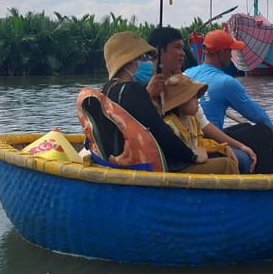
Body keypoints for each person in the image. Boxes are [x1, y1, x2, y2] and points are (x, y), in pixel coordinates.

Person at [101, 31, 231, 174]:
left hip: (126, 161)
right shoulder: (133, 90)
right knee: (226, 164)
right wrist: (191, 155)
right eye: (143, 57)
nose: (149, 62)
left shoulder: (107, 90)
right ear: (128, 61)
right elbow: (160, 132)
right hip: (153, 166)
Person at [147, 26, 257, 173]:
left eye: (182, 48)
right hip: (177, 158)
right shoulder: (148, 85)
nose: (182, 53)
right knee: (242, 160)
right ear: (160, 51)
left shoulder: (183, 81)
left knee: (252, 134)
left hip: (195, 145)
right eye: (177, 48)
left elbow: (203, 124)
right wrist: (148, 95)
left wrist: (232, 146)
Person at [184, 29, 273, 173]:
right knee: (263, 132)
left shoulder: (187, 73)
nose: (232, 55)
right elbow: (257, 115)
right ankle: (264, 181)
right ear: (221, 53)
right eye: (230, 51)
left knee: (246, 127)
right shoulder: (226, 82)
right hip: (207, 140)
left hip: (193, 137)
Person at [161, 74, 239, 174]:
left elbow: (200, 142)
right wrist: (196, 154)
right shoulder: (170, 124)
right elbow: (176, 153)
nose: (197, 102)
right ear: (181, 102)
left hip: (194, 161)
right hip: (181, 167)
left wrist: (222, 147)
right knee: (227, 165)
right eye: (193, 98)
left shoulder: (193, 120)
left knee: (226, 157)